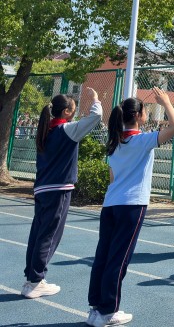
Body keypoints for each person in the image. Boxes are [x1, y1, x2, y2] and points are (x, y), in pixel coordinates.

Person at [87, 87, 174, 327]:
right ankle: (108, 311)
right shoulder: (141, 140)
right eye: (145, 110)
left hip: (111, 204)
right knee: (119, 259)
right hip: (131, 205)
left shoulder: (114, 142)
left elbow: (112, 177)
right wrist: (166, 102)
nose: (147, 113)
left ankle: (96, 307)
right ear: (138, 115)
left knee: (103, 256)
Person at [21, 89, 102, 299]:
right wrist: (95, 100)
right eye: (73, 109)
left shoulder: (45, 130)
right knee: (49, 235)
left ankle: (32, 278)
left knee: (38, 234)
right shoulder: (67, 130)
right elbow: (96, 117)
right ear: (66, 112)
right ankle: (35, 281)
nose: (75, 113)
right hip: (57, 190)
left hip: (42, 188)